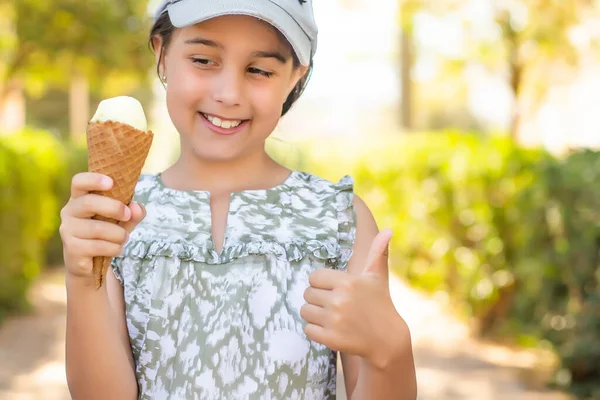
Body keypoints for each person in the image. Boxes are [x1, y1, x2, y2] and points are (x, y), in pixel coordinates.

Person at [59, 0, 417, 399]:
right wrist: (82, 278)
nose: (228, 94)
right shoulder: (116, 216)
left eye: (259, 70)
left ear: (296, 76)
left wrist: (391, 348)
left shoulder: (338, 219)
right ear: (162, 53)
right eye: (203, 59)